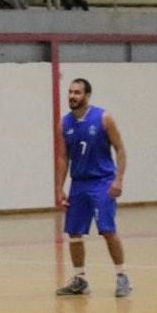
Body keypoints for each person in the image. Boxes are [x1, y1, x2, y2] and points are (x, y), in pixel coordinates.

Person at [55, 79, 131, 298]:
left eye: (77, 92)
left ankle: (122, 276)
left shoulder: (103, 118)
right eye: (70, 92)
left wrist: (118, 180)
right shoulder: (64, 123)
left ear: (87, 95)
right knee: (74, 233)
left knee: (107, 230)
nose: (72, 96)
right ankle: (80, 279)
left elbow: (120, 149)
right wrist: (60, 187)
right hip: (79, 183)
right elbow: (63, 157)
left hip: (102, 182)